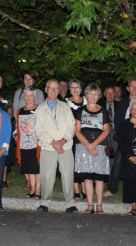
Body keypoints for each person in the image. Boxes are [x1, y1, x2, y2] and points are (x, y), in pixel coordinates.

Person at [35, 79, 78, 213]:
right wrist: (53, 142)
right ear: (46, 90)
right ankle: (45, 202)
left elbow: (72, 125)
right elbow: (39, 130)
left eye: (56, 89)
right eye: (50, 88)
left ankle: (70, 203)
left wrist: (63, 141)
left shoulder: (65, 107)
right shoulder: (40, 109)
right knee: (47, 176)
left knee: (67, 175)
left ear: (59, 91)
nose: (53, 91)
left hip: (65, 147)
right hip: (48, 147)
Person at [104, 78, 136, 197]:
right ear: (128, 88)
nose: (134, 89)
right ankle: (112, 189)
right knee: (117, 163)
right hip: (124, 139)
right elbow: (118, 121)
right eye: (131, 86)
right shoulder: (122, 103)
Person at [74, 84, 110, 214]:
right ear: (86, 95)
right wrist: (88, 146)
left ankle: (99, 206)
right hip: (83, 146)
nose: (93, 96)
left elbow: (106, 131)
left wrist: (93, 144)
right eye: (90, 94)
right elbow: (77, 131)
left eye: (95, 94)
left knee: (99, 178)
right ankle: (90, 205)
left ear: (99, 96)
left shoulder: (103, 110)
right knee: (87, 178)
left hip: (99, 146)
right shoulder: (80, 110)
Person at [15, 86, 41, 199]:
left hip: (36, 144)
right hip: (24, 144)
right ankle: (33, 189)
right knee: (29, 168)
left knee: (36, 168)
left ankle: (38, 190)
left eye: (31, 95)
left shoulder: (40, 109)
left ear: (35, 96)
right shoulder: (19, 111)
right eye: (26, 95)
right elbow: (19, 129)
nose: (28, 97)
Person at [66, 79, 88, 200]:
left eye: (77, 87)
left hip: (84, 136)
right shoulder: (65, 102)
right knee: (73, 163)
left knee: (83, 162)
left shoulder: (87, 101)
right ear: (69, 90)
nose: (75, 90)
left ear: (81, 89)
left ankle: (85, 189)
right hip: (71, 137)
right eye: (72, 87)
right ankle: (76, 190)